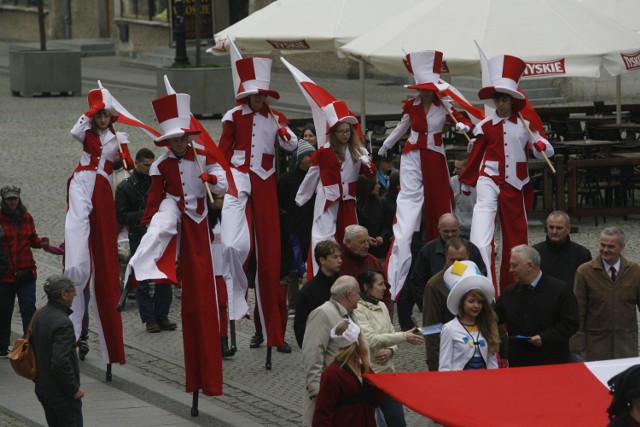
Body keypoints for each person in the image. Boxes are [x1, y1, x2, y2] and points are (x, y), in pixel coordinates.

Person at [125, 91, 228, 396]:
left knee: (202, 273)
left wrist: (210, 178)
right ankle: (140, 263)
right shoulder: (160, 166)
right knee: (161, 224)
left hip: (198, 214)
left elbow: (223, 181)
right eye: (174, 141)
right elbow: (156, 198)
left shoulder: (203, 156)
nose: (179, 145)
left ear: (187, 138)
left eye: (182, 140)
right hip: (174, 209)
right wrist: (149, 220)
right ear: (168, 143)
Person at [379, 50, 472, 302]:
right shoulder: (412, 106)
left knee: (439, 202)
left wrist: (463, 123)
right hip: (413, 155)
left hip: (435, 157)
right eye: (422, 89)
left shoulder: (445, 106)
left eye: (429, 89)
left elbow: (463, 121)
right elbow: (402, 128)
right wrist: (386, 145)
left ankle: (442, 250)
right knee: (410, 203)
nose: (426, 93)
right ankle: (402, 258)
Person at [219, 55, 298, 350]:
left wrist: (284, 132)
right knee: (233, 242)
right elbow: (222, 151)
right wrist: (218, 180)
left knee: (269, 251)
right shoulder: (233, 116)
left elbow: (292, 147)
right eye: (253, 95)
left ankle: (273, 333)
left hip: (264, 179)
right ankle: (237, 289)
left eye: (261, 94)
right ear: (246, 95)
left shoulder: (275, 118)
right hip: (238, 174)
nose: (258, 98)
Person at [459, 54, 554, 292]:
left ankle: (517, 287)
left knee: (517, 237)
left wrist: (541, 146)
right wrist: (468, 182)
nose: (500, 104)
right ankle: (485, 287)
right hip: (489, 179)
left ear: (512, 101)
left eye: (504, 99)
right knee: (480, 235)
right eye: (497, 100)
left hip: (515, 183)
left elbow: (542, 150)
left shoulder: (525, 125)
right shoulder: (484, 126)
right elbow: (476, 154)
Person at [65, 86, 131, 365]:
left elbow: (124, 162)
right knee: (77, 226)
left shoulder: (119, 136)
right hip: (82, 181)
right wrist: (90, 111)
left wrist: (123, 153)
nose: (102, 119)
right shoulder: (86, 133)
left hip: (102, 185)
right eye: (99, 115)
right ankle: (76, 257)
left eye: (106, 115)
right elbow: (73, 131)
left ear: (111, 117)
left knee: (103, 239)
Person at [296, 102, 376, 276]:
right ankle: (320, 274)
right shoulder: (324, 152)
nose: (345, 135)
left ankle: (350, 275)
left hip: (347, 200)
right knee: (323, 237)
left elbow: (371, 174)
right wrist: (301, 197)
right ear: (333, 132)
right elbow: (312, 174)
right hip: (328, 199)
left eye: (347, 131)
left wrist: (367, 162)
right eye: (341, 131)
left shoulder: (357, 150)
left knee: (350, 238)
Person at [116, 147, 177, 333]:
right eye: (146, 165)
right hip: (138, 235)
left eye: (152, 165)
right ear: (137, 163)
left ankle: (162, 315)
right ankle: (149, 319)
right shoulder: (125, 187)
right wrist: (146, 214)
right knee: (142, 278)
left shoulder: (158, 183)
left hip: (159, 235)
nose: (149, 168)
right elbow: (121, 215)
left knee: (164, 276)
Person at [354, 269, 423, 427]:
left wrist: (391, 350)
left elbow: (390, 334)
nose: (385, 287)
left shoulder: (383, 307)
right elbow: (369, 340)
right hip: (368, 378)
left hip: (388, 375)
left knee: (398, 422)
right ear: (366, 287)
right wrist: (404, 336)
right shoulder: (357, 310)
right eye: (380, 284)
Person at [494, 245, 579, 367]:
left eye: (514, 266)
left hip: (552, 362)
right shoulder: (510, 292)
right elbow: (495, 317)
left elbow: (571, 323)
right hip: (519, 363)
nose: (510, 270)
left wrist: (544, 338)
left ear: (529, 266)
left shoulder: (560, 290)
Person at [571, 227, 640, 362]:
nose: (605, 250)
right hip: (596, 347)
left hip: (626, 346)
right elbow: (577, 311)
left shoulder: (635, 271)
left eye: (610, 246)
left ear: (622, 247)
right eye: (602, 245)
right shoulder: (584, 272)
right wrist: (577, 344)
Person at [302, 276, 361, 426]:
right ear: (349, 295)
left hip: (346, 396)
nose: (360, 298)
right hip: (328, 395)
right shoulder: (322, 313)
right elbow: (312, 354)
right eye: (358, 293)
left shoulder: (351, 314)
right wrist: (318, 393)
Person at [0, 185, 49, 357]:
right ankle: (2, 346)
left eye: (15, 198)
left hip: (27, 272)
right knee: (4, 312)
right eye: (9, 199)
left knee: (28, 309)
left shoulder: (27, 218)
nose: (12, 202)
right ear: (3, 201)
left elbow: (32, 239)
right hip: (5, 276)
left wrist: (41, 242)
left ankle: (29, 345)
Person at [31, 275, 83, 426]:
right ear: (63, 294)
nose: (75, 294)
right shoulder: (63, 323)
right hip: (61, 393)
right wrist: (74, 389)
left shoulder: (39, 314)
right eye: (72, 290)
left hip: (43, 388)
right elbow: (61, 361)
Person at [408, 213, 485, 313]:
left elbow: (482, 275)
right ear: (439, 229)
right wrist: (426, 305)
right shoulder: (427, 251)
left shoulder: (472, 249)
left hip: (467, 308)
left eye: (454, 231)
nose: (450, 235)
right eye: (446, 231)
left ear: (459, 228)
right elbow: (416, 280)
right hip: (438, 306)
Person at [312, 319, 382, 427]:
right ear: (357, 342)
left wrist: (372, 376)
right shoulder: (332, 373)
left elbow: (376, 400)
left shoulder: (363, 367)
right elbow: (322, 413)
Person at [423, 237, 474, 371]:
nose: (457, 265)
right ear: (446, 256)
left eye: (462, 260)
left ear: (468, 256)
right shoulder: (434, 285)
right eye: (453, 260)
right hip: (451, 355)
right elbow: (431, 328)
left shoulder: (476, 279)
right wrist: (434, 365)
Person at [439, 260, 499, 371]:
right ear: (462, 303)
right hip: (460, 384)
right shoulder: (449, 329)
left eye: (480, 302)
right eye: (471, 301)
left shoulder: (487, 326)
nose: (476, 305)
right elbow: (444, 366)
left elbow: (492, 363)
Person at [279, 140, 316, 317]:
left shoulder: (317, 177)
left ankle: (312, 301)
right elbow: (280, 205)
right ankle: (292, 303)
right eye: (308, 156)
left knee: (314, 264)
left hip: (313, 226)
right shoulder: (286, 180)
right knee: (293, 268)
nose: (311, 159)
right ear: (299, 159)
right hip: (293, 228)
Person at [294, 240, 342, 348]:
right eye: (335, 257)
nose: (340, 260)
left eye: (340, 257)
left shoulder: (343, 284)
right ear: (322, 260)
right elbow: (300, 327)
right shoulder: (308, 291)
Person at [532, 210, 592, 288]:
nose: (554, 231)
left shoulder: (582, 254)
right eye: (551, 227)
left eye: (559, 228)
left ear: (568, 229)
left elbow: (588, 284)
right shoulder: (535, 253)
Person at [338, 225, 391, 310]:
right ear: (348, 242)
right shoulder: (338, 263)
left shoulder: (374, 261)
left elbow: (385, 291)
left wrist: (384, 311)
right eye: (362, 242)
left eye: (367, 241)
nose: (367, 246)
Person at [355, 176, 391, 260]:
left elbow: (387, 225)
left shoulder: (383, 204)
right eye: (376, 184)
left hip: (380, 250)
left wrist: (382, 237)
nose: (379, 186)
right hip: (362, 249)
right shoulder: (356, 206)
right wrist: (366, 238)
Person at [449, 152, 475, 240]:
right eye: (455, 167)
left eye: (458, 168)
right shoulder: (452, 182)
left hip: (477, 232)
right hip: (458, 233)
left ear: (469, 167)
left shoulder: (482, 184)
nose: (455, 171)